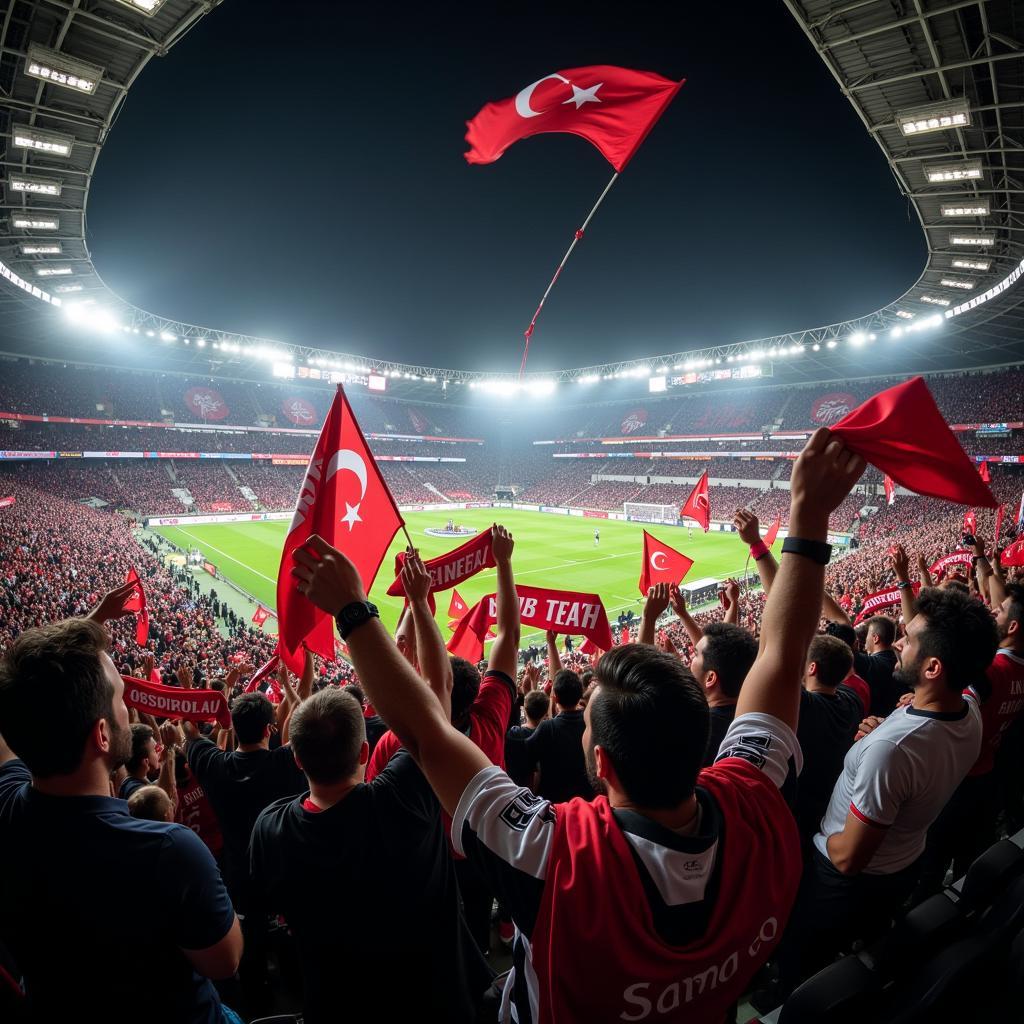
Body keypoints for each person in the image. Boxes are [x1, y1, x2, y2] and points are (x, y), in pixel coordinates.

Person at [290, 426, 867, 1022]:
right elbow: (782, 654)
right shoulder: (757, 802)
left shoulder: (556, 855)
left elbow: (427, 732)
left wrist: (355, 612)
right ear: (705, 737)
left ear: (602, 763)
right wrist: (808, 513)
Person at [0, 612, 241, 1024]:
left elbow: (17, 702)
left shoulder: (6, 807)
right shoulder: (170, 850)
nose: (128, 703)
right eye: (119, 696)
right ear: (102, 734)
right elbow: (225, 961)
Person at [777, 586, 997, 992]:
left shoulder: (892, 751)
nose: (898, 641)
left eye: (909, 640)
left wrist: (816, 838)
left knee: (805, 970)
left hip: (843, 883)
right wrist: (893, 724)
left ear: (933, 669)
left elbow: (849, 858)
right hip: (902, 865)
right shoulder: (968, 711)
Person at [249, 683, 489, 1023]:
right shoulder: (401, 797)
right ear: (365, 752)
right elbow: (437, 703)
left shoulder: (271, 829)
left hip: (338, 1008)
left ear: (297, 758)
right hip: (434, 1005)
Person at [366, 526, 519, 955]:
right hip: (484, 854)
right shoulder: (491, 718)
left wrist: (416, 603)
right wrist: (503, 563)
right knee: (472, 932)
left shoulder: (398, 744)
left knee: (431, 944)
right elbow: (507, 635)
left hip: (425, 861)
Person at [793, 636, 863, 849]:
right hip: (833, 805)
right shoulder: (852, 700)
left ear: (812, 667)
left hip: (801, 813)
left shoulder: (803, 705)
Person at [523, 669, 593, 803]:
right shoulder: (590, 721)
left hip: (554, 803)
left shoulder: (547, 728)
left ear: (554, 697)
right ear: (580, 695)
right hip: (587, 800)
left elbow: (525, 756)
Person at [505, 687, 549, 789]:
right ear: (545, 712)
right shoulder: (547, 735)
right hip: (536, 792)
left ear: (524, 709)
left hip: (512, 787)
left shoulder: (513, 734)